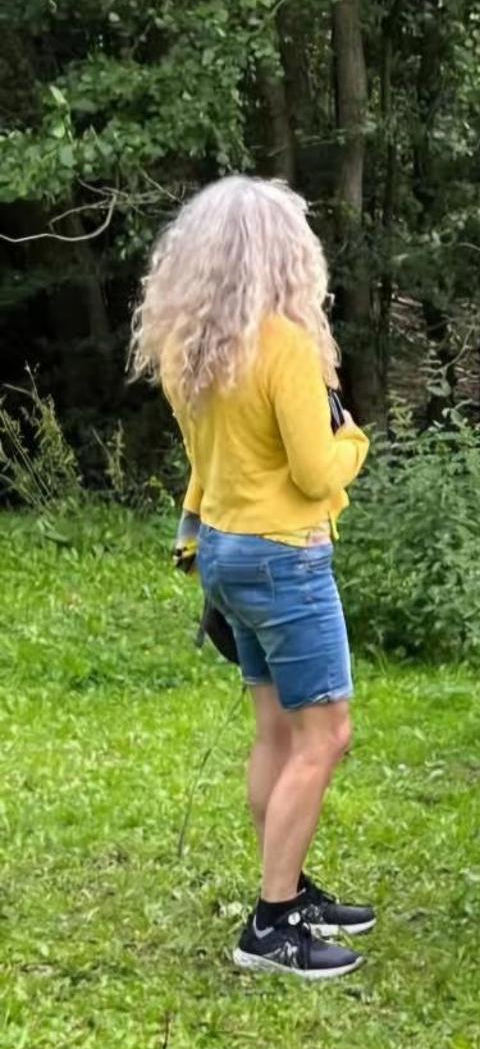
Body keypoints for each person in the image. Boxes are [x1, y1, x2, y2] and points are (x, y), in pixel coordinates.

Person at [132, 176, 375, 980]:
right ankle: (272, 923)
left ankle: (289, 887)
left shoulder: (193, 350)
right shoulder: (285, 346)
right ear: (285, 255)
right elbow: (315, 470)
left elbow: (208, 466)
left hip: (225, 552)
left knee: (276, 731)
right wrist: (355, 442)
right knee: (325, 735)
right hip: (286, 556)